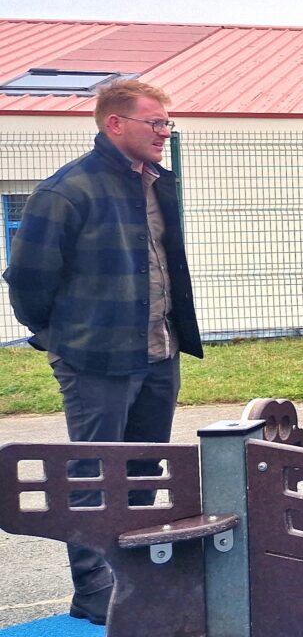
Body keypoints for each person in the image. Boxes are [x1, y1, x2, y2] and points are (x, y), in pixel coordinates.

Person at [3, 80, 202, 625]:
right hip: (95, 361)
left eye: (168, 124)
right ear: (115, 124)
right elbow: (26, 283)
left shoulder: (158, 184)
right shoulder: (66, 191)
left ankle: (135, 577)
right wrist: (62, 341)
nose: (166, 132)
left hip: (160, 355)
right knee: (93, 475)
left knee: (142, 471)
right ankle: (96, 592)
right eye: (156, 123)